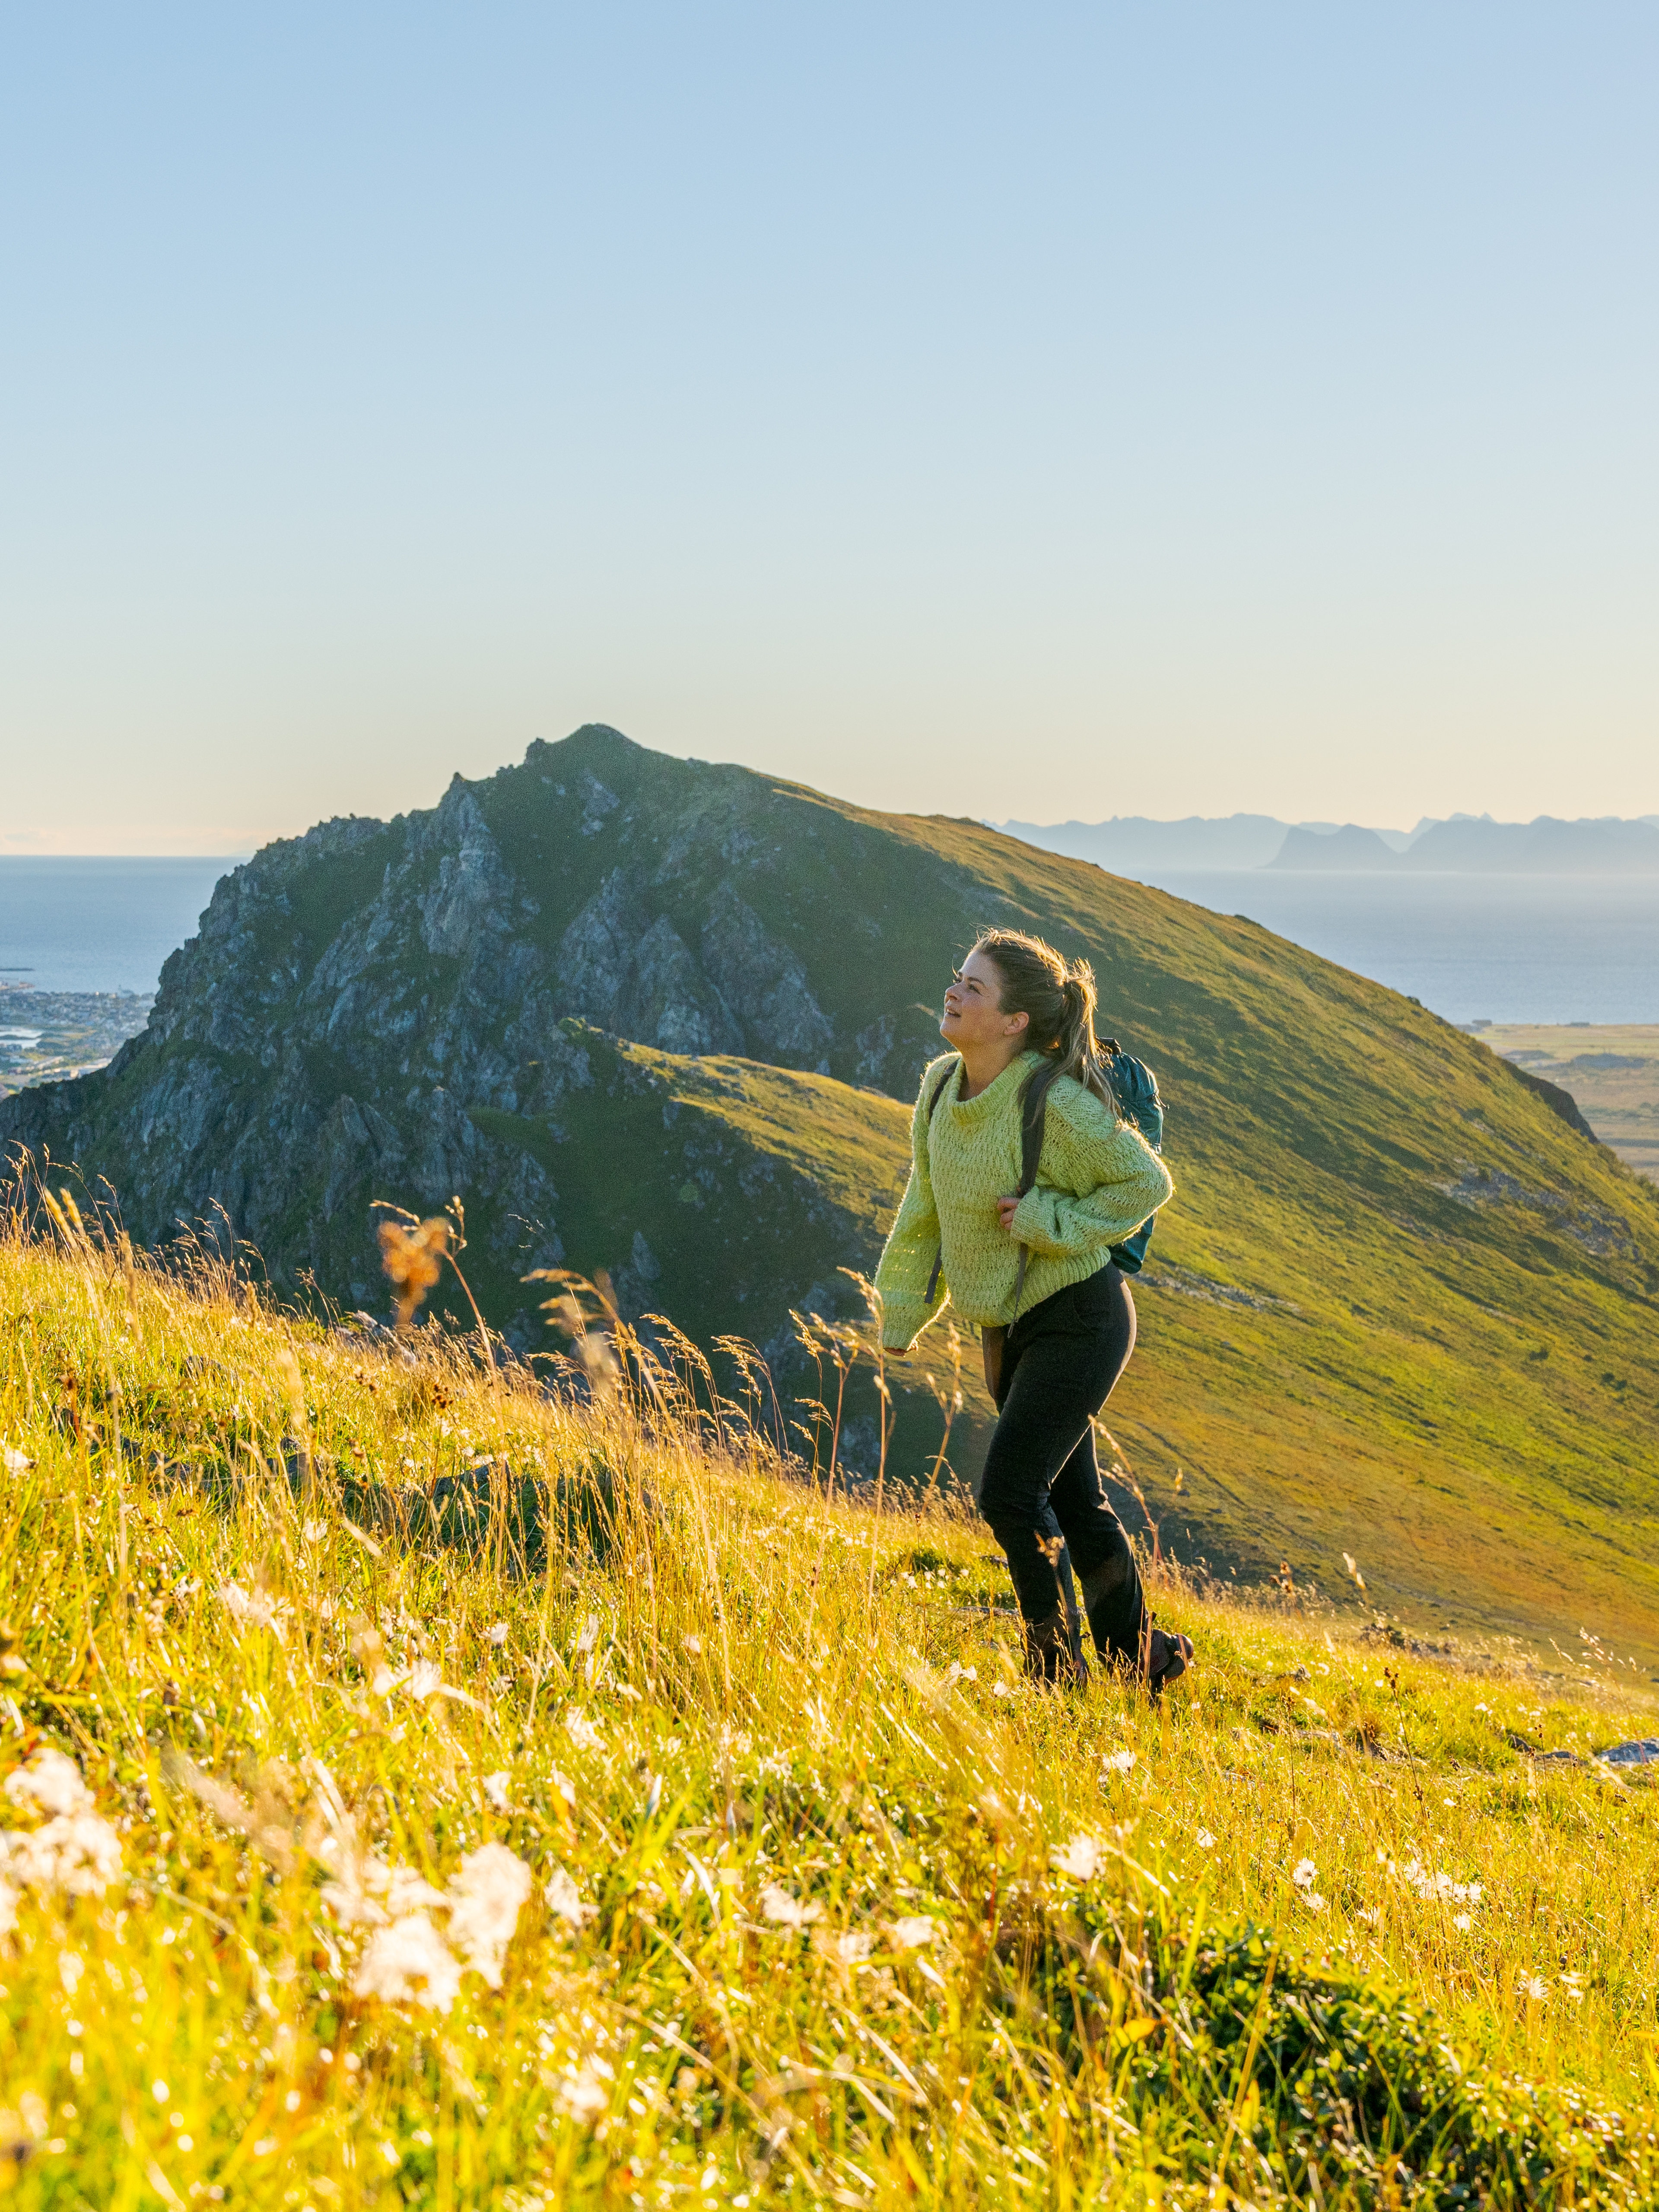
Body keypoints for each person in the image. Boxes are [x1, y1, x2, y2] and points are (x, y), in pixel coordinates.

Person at [874, 928, 1191, 1693]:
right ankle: (1139, 1658)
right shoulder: (941, 1087)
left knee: (1011, 1494)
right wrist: (902, 1308)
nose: (953, 992)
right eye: (958, 978)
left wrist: (1054, 1222)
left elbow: (1145, 1184)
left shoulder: (1057, 1103)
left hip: (1080, 1318)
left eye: (975, 987)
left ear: (1015, 1022)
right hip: (1006, 1329)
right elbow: (924, 1205)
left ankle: (1056, 1677)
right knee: (1075, 1500)